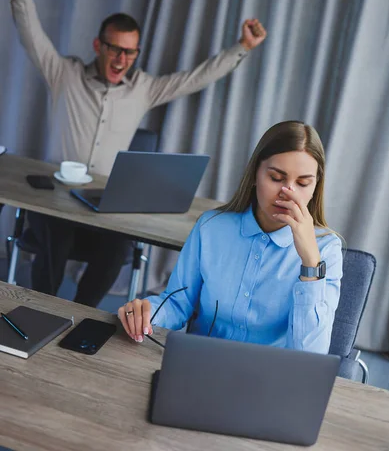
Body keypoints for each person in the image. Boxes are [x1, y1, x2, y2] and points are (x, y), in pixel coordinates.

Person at [8, 0, 267, 307]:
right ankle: (41, 311)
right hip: (57, 198)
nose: (121, 60)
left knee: (118, 247)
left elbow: (194, 79)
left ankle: (81, 314)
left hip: (106, 204)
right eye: (115, 49)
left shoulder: (144, 88)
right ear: (99, 46)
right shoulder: (64, 74)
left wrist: (242, 47)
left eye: (130, 53)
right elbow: (32, 37)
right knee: (54, 237)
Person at [119, 121, 343, 354]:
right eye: (276, 178)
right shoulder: (211, 227)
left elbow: (311, 355)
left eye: (303, 183)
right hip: (200, 363)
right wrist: (145, 313)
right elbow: (177, 304)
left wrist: (310, 264)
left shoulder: (326, 249)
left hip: (271, 377)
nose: (288, 193)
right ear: (255, 174)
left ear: (316, 186)